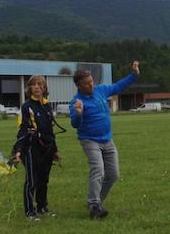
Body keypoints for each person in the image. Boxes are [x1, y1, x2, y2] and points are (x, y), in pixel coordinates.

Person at [70, 60, 140, 219]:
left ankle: (96, 202)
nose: (91, 85)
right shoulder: (77, 102)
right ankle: (94, 205)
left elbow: (118, 86)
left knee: (113, 174)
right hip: (90, 141)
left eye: (91, 82)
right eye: (86, 84)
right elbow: (75, 124)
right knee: (98, 170)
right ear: (79, 86)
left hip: (107, 140)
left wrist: (133, 75)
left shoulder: (101, 91)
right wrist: (79, 113)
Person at [10, 75, 61, 221]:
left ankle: (42, 206)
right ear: (30, 88)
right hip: (31, 147)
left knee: (44, 179)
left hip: (47, 147)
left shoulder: (47, 105)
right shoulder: (26, 107)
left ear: (44, 88)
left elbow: (50, 130)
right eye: (34, 85)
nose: (37, 87)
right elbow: (22, 129)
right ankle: (29, 211)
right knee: (32, 179)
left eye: (40, 84)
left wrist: (55, 150)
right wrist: (18, 151)